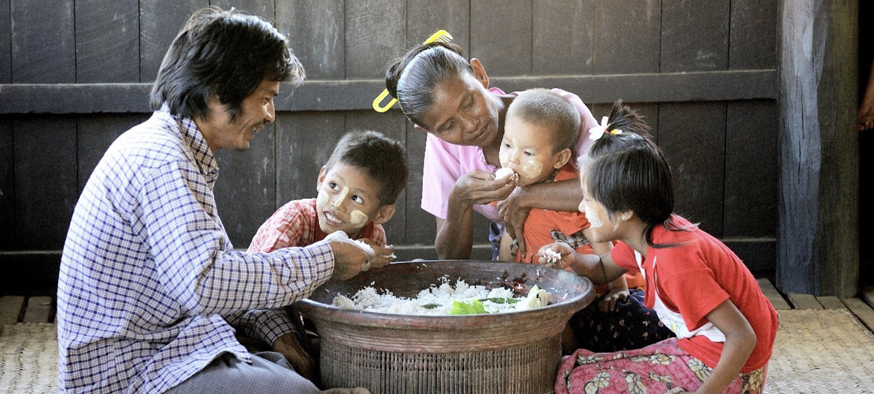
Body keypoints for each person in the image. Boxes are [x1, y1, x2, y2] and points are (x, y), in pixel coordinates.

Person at [56, 7, 387, 394]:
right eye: (264, 98)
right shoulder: (162, 160)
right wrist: (327, 257)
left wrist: (280, 335)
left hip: (173, 340)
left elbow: (222, 280)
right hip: (128, 368)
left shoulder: (177, 150)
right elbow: (207, 284)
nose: (270, 115)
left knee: (291, 361)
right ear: (218, 92)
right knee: (296, 389)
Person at [544, 137, 779, 393]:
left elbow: (743, 337)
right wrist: (572, 257)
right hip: (705, 348)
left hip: (732, 368)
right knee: (575, 367)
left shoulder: (676, 262)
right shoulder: (647, 235)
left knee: (578, 383)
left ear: (624, 210)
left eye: (588, 200)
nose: (581, 207)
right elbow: (602, 270)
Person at [383, 41, 600, 260]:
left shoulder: (556, 110)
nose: (470, 125)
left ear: (479, 74)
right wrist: (460, 200)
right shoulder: (442, 145)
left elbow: (612, 187)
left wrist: (525, 196)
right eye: (448, 127)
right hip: (521, 254)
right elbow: (450, 258)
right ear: (429, 131)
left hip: (595, 248)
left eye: (468, 103)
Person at [497, 92, 673, 353]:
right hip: (540, 290)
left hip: (587, 293)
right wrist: (504, 283)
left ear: (559, 159)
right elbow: (511, 238)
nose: (513, 159)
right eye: (507, 146)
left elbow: (601, 246)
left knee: (570, 331)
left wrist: (617, 289)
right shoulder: (509, 191)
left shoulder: (571, 196)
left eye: (527, 152)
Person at [244, 129, 408, 381]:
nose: (337, 204)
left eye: (355, 198)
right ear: (321, 178)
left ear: (382, 213)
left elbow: (356, 301)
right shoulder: (296, 217)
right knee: (289, 363)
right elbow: (262, 288)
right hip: (262, 311)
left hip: (319, 326)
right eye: (333, 186)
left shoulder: (372, 238)